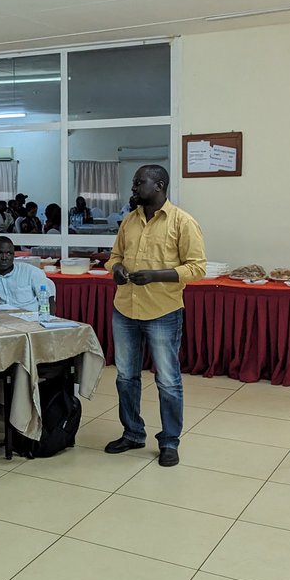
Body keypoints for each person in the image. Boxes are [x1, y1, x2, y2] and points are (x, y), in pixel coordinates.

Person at [103, 166, 205, 468]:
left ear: (159, 185)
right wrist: (117, 270)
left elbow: (197, 267)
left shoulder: (182, 222)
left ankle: (170, 441)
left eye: (139, 182)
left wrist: (158, 275)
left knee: (169, 381)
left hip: (163, 311)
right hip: (125, 309)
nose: (133, 187)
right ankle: (133, 433)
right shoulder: (129, 221)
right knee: (125, 377)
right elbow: (114, 257)